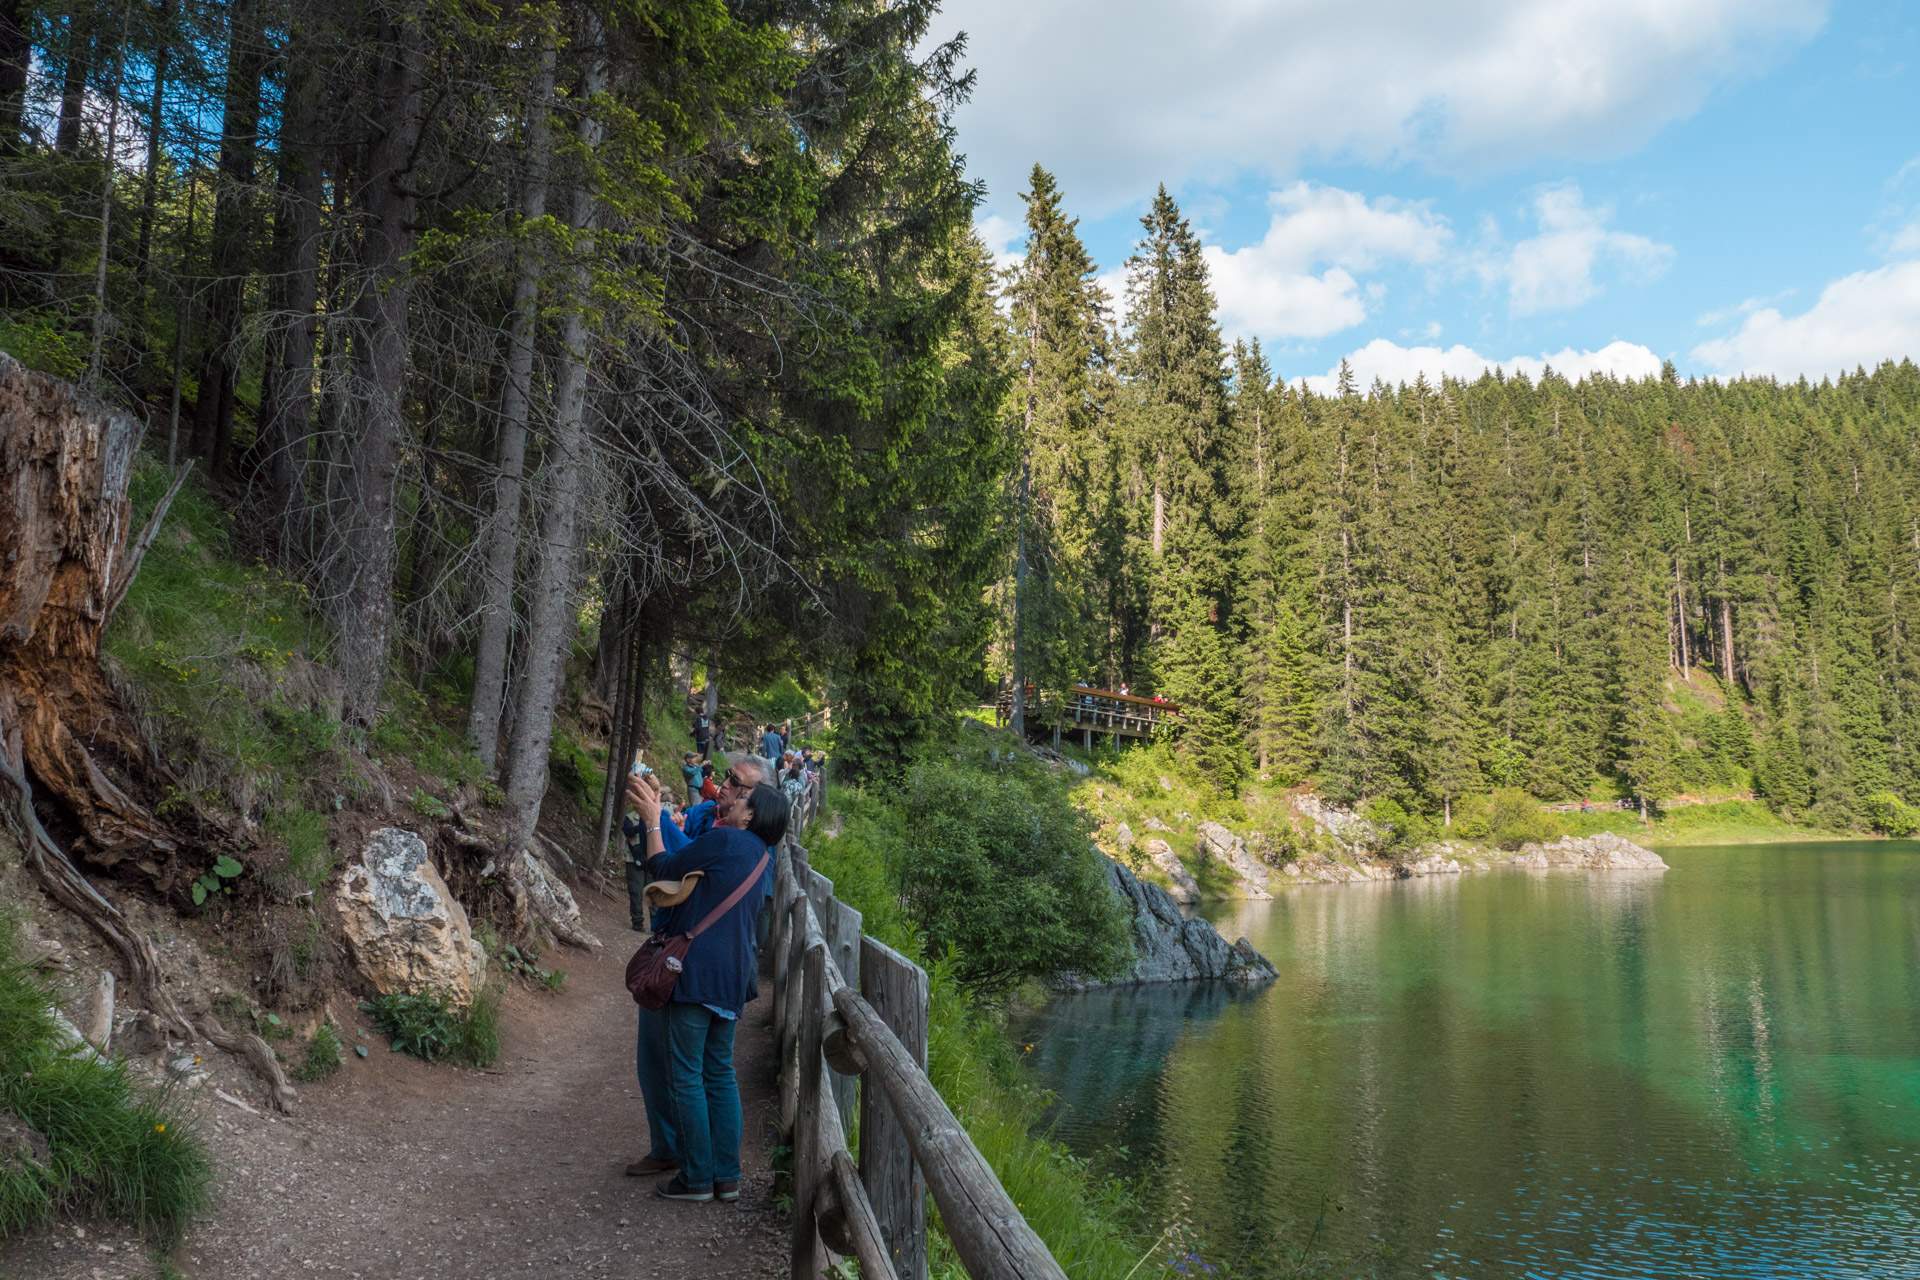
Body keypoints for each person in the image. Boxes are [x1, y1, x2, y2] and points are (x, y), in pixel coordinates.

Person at [624, 774, 787, 1203]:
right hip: (733, 979)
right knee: (719, 1074)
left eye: (744, 797)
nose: (733, 798)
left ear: (752, 815)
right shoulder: (761, 858)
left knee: (687, 1076)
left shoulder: (725, 842)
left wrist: (652, 821)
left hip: (694, 974)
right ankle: (726, 1176)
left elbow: (662, 867)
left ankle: (695, 1178)